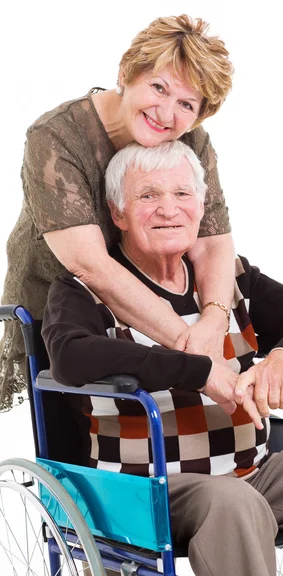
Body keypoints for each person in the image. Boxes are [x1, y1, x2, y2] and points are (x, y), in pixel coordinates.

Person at [42, 141, 283, 576]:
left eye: (182, 194)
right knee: (233, 502)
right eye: (148, 196)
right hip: (148, 491)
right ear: (119, 213)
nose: (168, 209)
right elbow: (71, 357)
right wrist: (195, 371)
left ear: (202, 207)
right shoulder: (85, 290)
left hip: (251, 472)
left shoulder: (228, 278)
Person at [0, 14, 235, 413]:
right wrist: (197, 357)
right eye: (158, 87)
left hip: (152, 290)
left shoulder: (192, 139)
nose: (166, 113)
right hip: (61, 302)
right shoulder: (56, 137)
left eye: (186, 104)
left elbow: (213, 242)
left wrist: (213, 322)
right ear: (127, 74)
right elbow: (91, 267)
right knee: (78, 432)